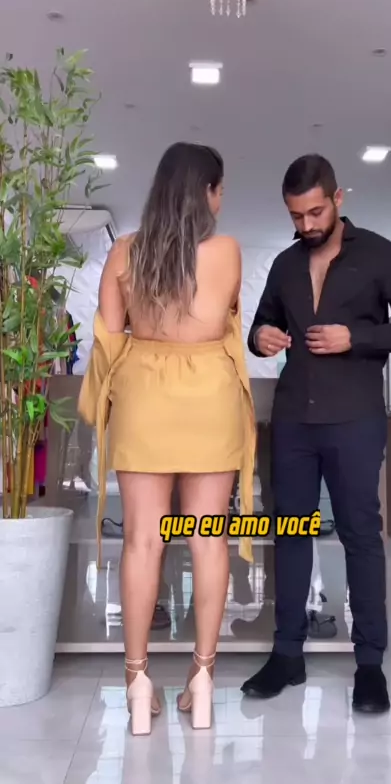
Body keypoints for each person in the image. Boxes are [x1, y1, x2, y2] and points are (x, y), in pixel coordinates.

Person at [241, 154, 391, 713]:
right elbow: (260, 324)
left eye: (315, 212)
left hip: (355, 418)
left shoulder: (378, 253)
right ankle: (287, 655)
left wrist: (358, 337)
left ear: (338, 198)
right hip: (293, 421)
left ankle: (369, 663)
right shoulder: (284, 265)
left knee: (360, 535)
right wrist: (262, 338)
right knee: (290, 532)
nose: (306, 225)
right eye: (296, 216)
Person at [78, 143, 256, 735]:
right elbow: (225, 320)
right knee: (208, 540)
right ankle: (202, 679)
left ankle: (137, 684)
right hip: (210, 398)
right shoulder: (227, 252)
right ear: (207, 193)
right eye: (220, 191)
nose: (222, 202)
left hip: (144, 398)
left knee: (142, 542)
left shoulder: (124, 253)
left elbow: (109, 339)